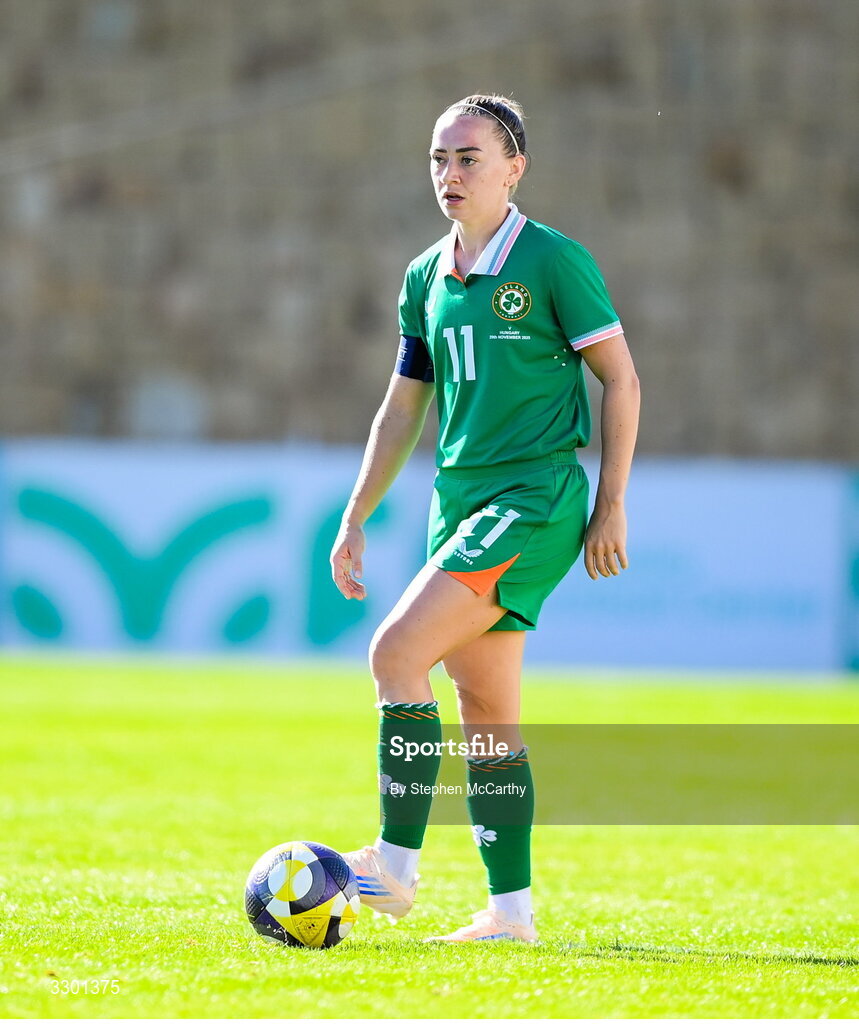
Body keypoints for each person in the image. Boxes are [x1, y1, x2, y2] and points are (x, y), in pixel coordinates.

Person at [330, 93, 640, 943]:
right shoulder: (424, 275)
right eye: (438, 158)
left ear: (515, 168)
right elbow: (401, 410)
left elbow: (622, 378)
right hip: (457, 501)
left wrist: (608, 501)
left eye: (469, 157)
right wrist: (356, 514)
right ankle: (511, 915)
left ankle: (393, 868)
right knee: (486, 715)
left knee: (394, 653)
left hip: (532, 497)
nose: (450, 174)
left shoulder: (551, 261)